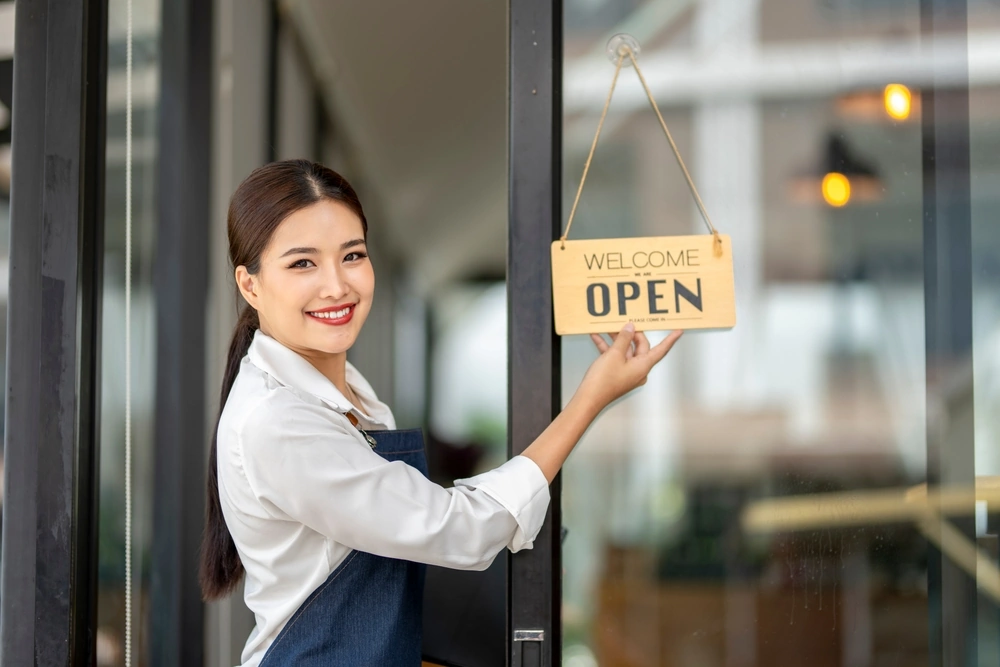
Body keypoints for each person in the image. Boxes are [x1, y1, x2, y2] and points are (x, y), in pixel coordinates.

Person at [199, 159, 683, 666]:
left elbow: (402, 535)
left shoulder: (340, 395)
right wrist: (589, 401)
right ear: (250, 285)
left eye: (353, 255)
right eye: (303, 263)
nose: (337, 286)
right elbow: (457, 530)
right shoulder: (278, 421)